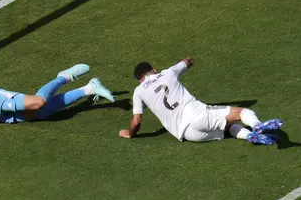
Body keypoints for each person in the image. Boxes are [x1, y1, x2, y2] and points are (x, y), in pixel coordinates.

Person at [119, 57, 283, 145]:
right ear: (153, 70)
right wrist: (188, 62)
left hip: (189, 135)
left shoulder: (139, 91)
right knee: (242, 112)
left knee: (228, 128)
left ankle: (249, 136)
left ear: (140, 80)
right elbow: (188, 61)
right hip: (197, 115)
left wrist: (130, 133)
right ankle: (257, 126)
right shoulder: (168, 73)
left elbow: (137, 121)